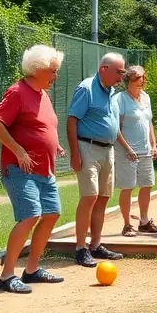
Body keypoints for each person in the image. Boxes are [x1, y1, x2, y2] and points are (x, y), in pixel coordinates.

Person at [0, 44, 68, 293]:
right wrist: (19, 150)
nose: (56, 76)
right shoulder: (17, 92)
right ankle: (6, 275)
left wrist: (55, 146)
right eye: (53, 71)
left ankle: (32, 270)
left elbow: (43, 128)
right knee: (30, 215)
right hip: (20, 169)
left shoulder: (43, 94)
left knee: (52, 213)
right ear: (37, 69)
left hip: (45, 169)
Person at [66, 53, 125, 266]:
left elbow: (113, 125)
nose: (121, 77)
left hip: (108, 150)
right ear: (104, 69)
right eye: (119, 72)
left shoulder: (112, 92)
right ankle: (80, 248)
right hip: (87, 148)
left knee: (103, 197)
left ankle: (95, 244)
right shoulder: (86, 88)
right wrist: (75, 153)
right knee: (89, 197)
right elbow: (72, 121)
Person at [114, 65, 157, 236]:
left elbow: (149, 123)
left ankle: (144, 221)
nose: (143, 80)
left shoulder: (146, 98)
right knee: (127, 187)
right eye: (140, 77)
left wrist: (153, 145)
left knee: (147, 185)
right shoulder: (119, 99)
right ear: (130, 79)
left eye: (144, 77)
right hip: (126, 152)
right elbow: (115, 128)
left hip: (145, 150)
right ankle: (127, 225)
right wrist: (127, 148)